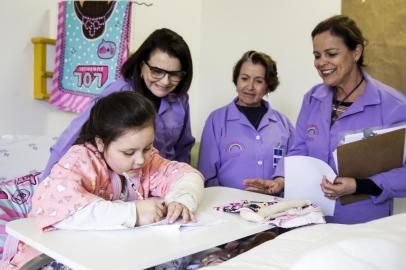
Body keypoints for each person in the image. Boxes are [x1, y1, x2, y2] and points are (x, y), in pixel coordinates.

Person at [1, 91, 204, 269]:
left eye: (147, 148)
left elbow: (188, 175)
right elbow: (63, 213)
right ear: (100, 143)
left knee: (179, 255)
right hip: (50, 255)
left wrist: (182, 200)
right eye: (129, 152)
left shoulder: (147, 162)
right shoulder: (79, 161)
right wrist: (133, 212)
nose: (141, 159)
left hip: (109, 252)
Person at [246, 15, 406, 224]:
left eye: (331, 54)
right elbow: (298, 150)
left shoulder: (393, 105)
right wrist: (281, 180)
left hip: (362, 224)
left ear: (356, 52)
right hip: (309, 217)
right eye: (317, 55)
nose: (321, 63)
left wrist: (360, 185)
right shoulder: (313, 99)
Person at [41, 28, 195, 180]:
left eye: (175, 74)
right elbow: (76, 131)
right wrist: (48, 178)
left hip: (162, 177)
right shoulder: (118, 91)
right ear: (142, 66)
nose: (165, 81)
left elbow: (183, 147)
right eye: (156, 71)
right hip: (121, 180)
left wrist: (182, 179)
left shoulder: (180, 100)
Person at [198, 50, 294, 191]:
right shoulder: (216, 120)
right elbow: (207, 175)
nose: (250, 87)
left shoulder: (283, 124)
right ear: (236, 80)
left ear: (268, 85)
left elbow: (293, 166)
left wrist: (280, 183)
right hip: (225, 207)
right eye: (244, 78)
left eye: (259, 81)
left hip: (273, 206)